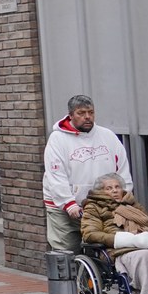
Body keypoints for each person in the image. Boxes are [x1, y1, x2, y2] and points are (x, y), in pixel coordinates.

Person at [43, 95, 133, 253]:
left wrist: (124, 196)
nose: (87, 117)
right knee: (67, 250)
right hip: (67, 207)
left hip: (103, 206)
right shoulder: (57, 139)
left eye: (91, 112)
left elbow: (122, 170)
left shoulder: (107, 136)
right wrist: (68, 203)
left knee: (106, 248)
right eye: (81, 113)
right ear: (71, 115)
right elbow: (56, 175)